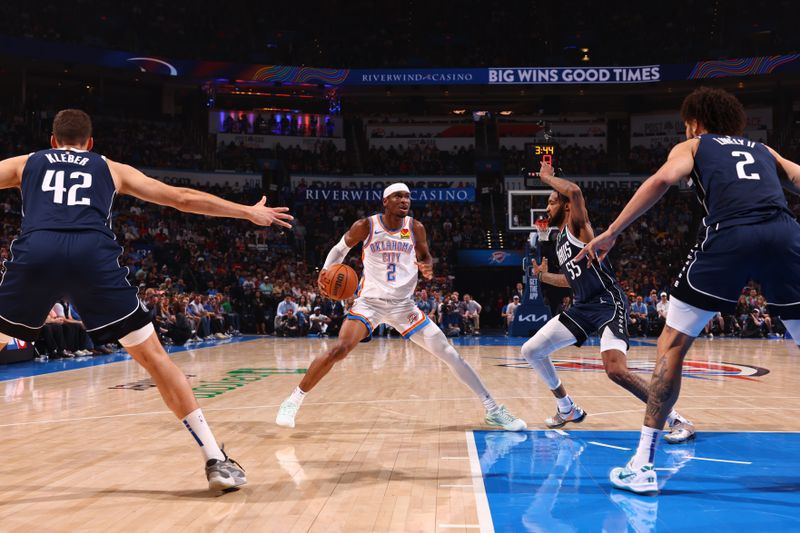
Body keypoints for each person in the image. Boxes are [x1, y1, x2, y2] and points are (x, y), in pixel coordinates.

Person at [0, 109, 293, 491]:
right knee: (155, 359)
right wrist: (247, 212)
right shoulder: (112, 169)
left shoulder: (27, 163)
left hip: (37, 253)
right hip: (93, 256)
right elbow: (181, 198)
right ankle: (214, 459)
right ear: (91, 144)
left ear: (52, 141)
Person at [577, 87, 800, 494]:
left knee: (673, 345)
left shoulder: (695, 144)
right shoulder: (763, 150)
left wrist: (611, 232)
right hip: (785, 234)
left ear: (695, 121)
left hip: (730, 233)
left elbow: (662, 179)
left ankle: (643, 465)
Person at [275, 183, 526, 431]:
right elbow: (340, 249)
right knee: (339, 349)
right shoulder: (366, 225)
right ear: (386, 201)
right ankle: (293, 400)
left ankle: (493, 409)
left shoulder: (415, 227)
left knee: (450, 354)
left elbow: (425, 255)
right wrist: (327, 271)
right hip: (370, 303)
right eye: (398, 196)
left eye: (407, 196)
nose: (405, 200)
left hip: (404, 306)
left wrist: (428, 264)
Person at [521, 161, 693, 440]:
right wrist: (544, 277)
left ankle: (676, 419)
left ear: (565, 206)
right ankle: (566, 408)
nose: (547, 209)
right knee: (531, 350)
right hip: (582, 307)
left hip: (607, 303)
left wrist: (545, 177)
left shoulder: (578, 226)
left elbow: (575, 191)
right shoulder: (559, 241)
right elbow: (570, 280)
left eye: (552, 203)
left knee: (615, 370)